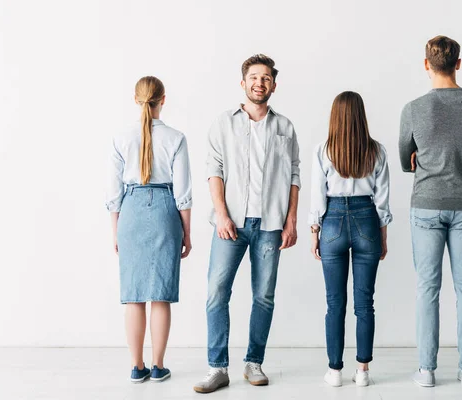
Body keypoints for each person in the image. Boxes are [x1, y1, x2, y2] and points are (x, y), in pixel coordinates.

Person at [193, 54, 301, 394]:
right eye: (254, 77)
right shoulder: (223, 123)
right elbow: (214, 169)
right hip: (231, 224)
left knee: (264, 296)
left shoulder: (285, 127)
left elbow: (294, 175)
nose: (260, 83)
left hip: (270, 224)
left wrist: (291, 220)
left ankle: (254, 363)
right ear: (243, 83)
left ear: (273, 85)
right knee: (216, 294)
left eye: (266, 78)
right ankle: (217, 368)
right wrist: (222, 214)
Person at [399, 35, 462, 388]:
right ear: (458, 63)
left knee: (427, 287)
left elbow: (406, 157)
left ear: (427, 64)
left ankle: (426, 371)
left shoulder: (413, 109)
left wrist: (423, 159)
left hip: (426, 204)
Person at [106, 76, 193, 383]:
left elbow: (113, 193)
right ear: (163, 100)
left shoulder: (120, 138)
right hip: (164, 211)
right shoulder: (176, 138)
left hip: (130, 211)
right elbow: (183, 193)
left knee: (134, 295)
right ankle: (158, 366)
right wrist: (187, 232)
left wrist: (115, 231)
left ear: (136, 100)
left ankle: (136, 365)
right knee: (160, 295)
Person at [309, 91, 392, 387]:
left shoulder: (323, 150)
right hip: (367, 218)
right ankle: (363, 372)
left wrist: (314, 232)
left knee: (335, 303)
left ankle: (334, 371)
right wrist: (383, 237)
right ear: (361, 116)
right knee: (365, 303)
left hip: (331, 220)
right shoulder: (377, 151)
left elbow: (317, 197)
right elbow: (382, 200)